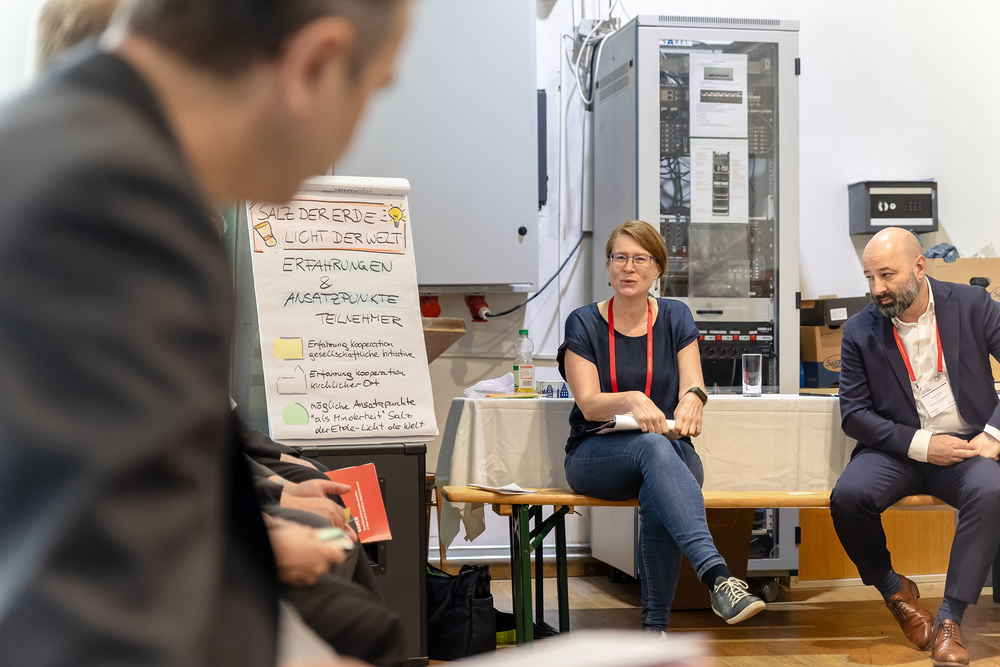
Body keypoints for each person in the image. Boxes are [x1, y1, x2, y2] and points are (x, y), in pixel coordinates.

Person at [0, 0, 409, 664]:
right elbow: (107, 612)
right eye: (374, 90)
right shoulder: (118, 205)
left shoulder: (60, 143)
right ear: (316, 63)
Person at [558, 220, 765, 633]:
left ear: (657, 269)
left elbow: (694, 384)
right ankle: (718, 578)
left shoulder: (675, 316)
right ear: (608, 266)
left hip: (670, 452)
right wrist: (632, 399)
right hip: (595, 454)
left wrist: (695, 398)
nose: (628, 268)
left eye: (640, 259)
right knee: (654, 449)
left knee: (661, 480)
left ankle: (655, 634)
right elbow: (589, 404)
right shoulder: (582, 322)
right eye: (619, 257)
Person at [832, 226, 1000, 667]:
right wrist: (923, 445)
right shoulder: (859, 329)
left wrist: (994, 434)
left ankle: (950, 618)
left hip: (967, 447)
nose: (877, 289)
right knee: (847, 497)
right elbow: (854, 414)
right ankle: (895, 591)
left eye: (887, 275)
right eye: (869, 278)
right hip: (897, 449)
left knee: (991, 490)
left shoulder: (973, 304)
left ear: (920, 266)